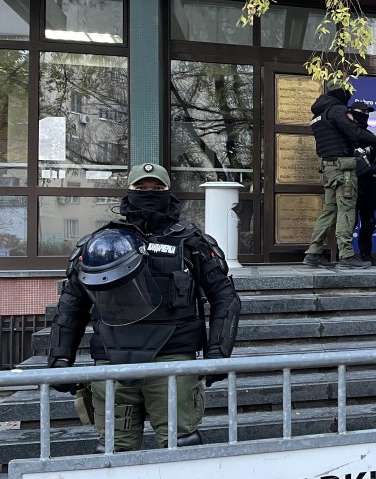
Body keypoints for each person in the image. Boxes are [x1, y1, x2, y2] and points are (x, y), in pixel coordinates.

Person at [46, 163, 241, 452]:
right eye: (141, 188)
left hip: (172, 361)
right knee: (114, 452)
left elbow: (225, 298)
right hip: (113, 364)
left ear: (168, 193)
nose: (149, 194)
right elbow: (72, 304)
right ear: (129, 192)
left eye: (157, 189)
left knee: (182, 447)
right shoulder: (100, 244)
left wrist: (218, 353)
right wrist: (61, 357)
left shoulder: (192, 243)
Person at [304, 86, 376, 270]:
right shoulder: (337, 110)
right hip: (342, 169)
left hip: (328, 168)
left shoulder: (318, 115)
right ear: (340, 94)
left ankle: (313, 252)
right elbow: (354, 133)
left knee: (329, 211)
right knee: (346, 209)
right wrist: (374, 140)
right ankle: (346, 255)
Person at [350, 101, 376, 266]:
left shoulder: (370, 136)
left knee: (369, 221)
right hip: (353, 183)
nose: (365, 114)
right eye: (362, 111)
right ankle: (345, 255)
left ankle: (366, 255)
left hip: (370, 184)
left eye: (367, 112)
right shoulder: (349, 135)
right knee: (350, 221)